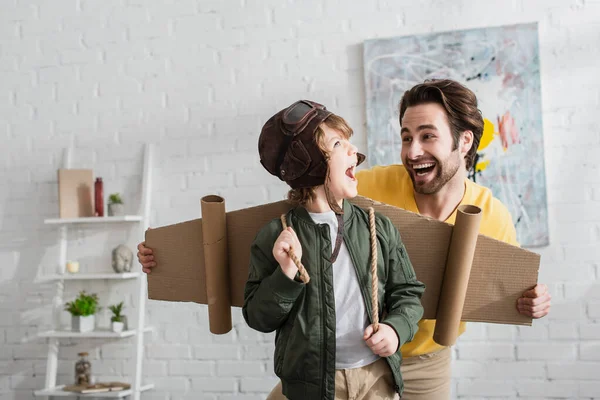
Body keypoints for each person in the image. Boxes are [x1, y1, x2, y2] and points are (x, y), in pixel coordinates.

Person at [138, 100, 426, 400]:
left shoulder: (377, 228)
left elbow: (408, 293)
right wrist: (285, 274)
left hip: (375, 379)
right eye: (339, 143)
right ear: (310, 164)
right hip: (311, 387)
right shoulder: (275, 235)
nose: (354, 150)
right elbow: (259, 318)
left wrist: (395, 330)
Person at [355, 79, 552, 399]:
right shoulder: (368, 187)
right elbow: (309, 201)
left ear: (464, 142)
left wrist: (534, 301)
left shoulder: (492, 216)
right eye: (406, 138)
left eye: (427, 136)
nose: (412, 151)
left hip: (427, 360)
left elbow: (513, 291)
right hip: (357, 353)